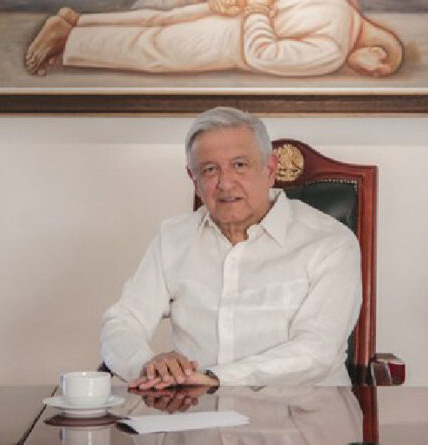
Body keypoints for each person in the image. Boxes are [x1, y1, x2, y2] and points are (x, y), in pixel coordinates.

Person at [100, 107, 362, 389]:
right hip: (194, 415)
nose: (225, 183)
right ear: (194, 180)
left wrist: (215, 379)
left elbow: (317, 351)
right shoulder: (173, 238)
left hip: (302, 418)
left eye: (239, 165)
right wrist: (146, 364)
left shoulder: (330, 242)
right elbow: (123, 320)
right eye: (210, 169)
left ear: (270, 170)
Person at [24, 0, 403, 78]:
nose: (374, 73)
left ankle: (76, 25)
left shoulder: (341, 7)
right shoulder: (334, 48)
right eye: (380, 68)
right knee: (152, 49)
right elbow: (262, 55)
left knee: (157, 22)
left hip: (228, 18)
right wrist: (254, 12)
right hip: (227, 39)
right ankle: (67, 41)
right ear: (376, 51)